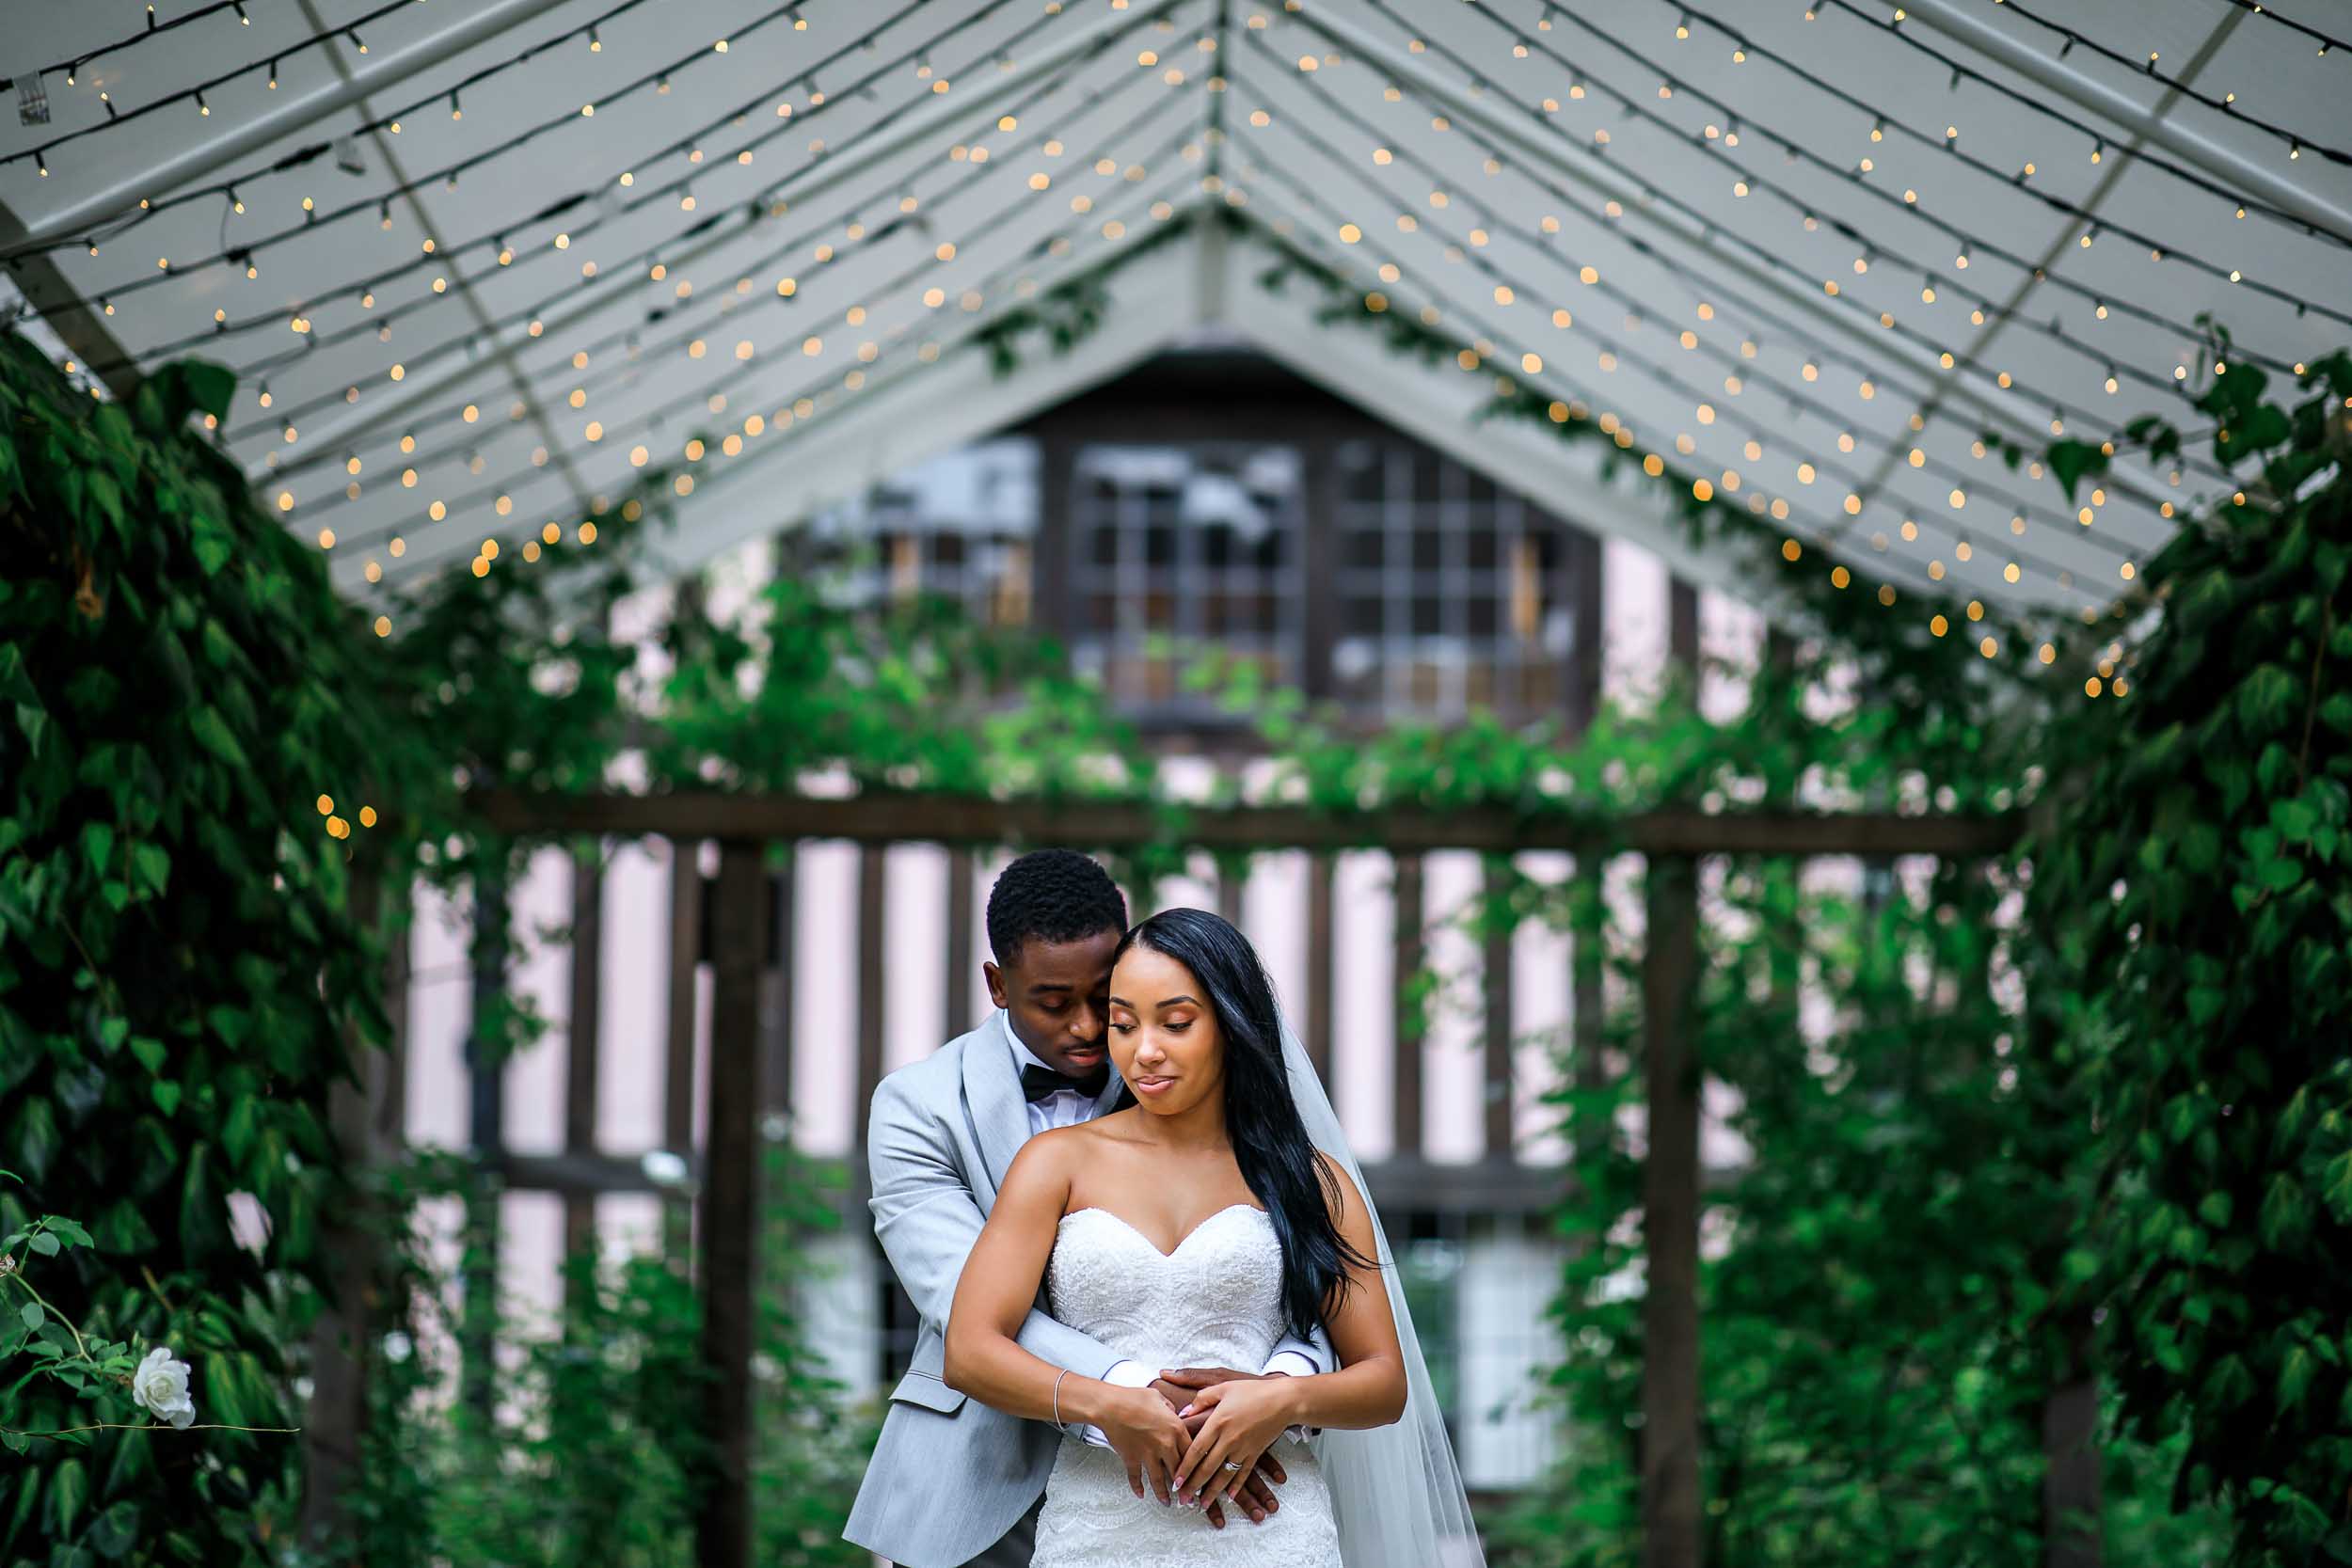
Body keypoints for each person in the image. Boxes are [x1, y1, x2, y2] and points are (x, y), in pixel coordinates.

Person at [942, 906, 1486, 1567]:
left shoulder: (1313, 1180)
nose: (1144, 1049)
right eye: (1123, 1023)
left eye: (1175, 1023)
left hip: (1274, 1532)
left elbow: (1383, 1382)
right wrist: (1111, 1405)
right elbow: (969, 1351)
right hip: (1098, 1528)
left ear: (1232, 1024)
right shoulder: (1055, 1163)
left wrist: (1280, 1399)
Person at [844, 852, 1334, 1568]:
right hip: (976, 1466)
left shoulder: (1178, 1070)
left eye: (1103, 999)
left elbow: (1294, 1259)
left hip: (1214, 1469)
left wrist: (1276, 1387)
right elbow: (961, 1303)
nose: (1084, 1027)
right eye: (1052, 1001)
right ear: (997, 984)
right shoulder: (917, 1107)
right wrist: (1137, 1398)